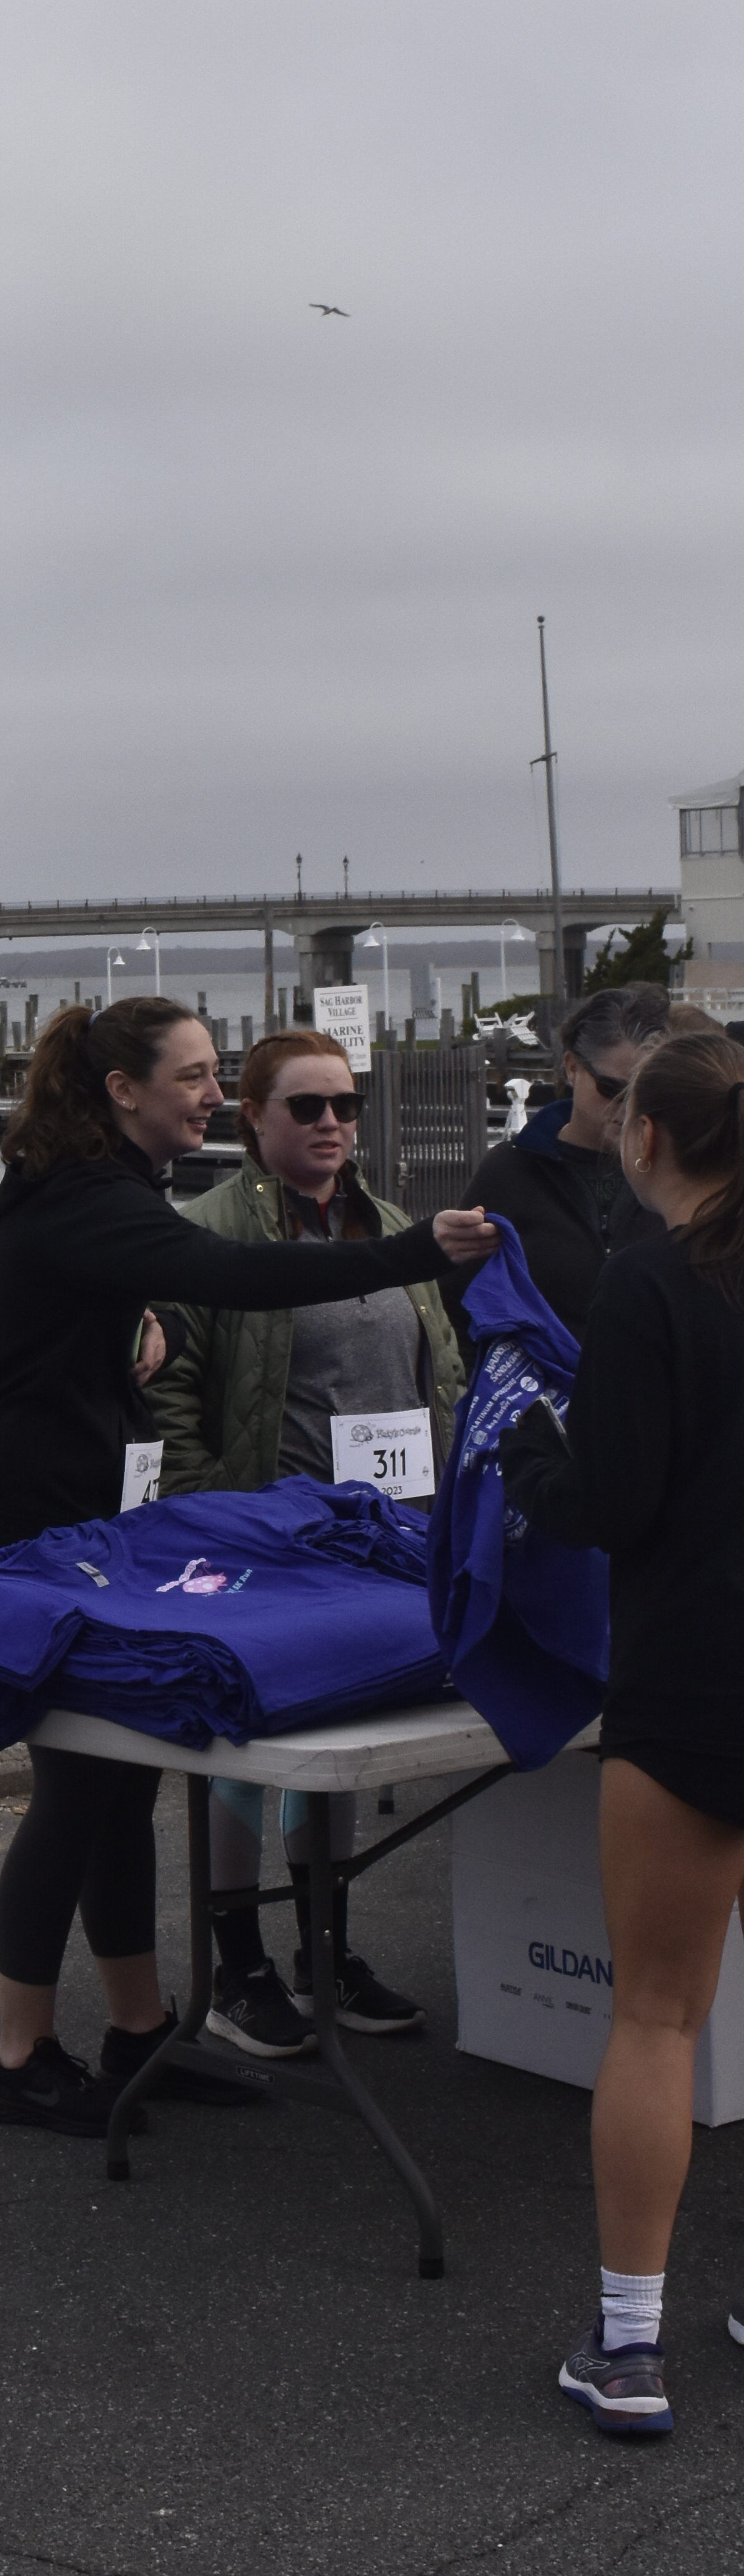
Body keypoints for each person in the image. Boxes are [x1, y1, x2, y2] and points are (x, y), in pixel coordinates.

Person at [0, 996, 497, 2135]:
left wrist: (130, 1321)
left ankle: (143, 2030)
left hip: (87, 1511)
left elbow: (112, 1296)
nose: (212, 1096)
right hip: (31, 1527)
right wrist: (413, 1251)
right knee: (74, 1788)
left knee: (122, 1781)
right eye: (197, 1078)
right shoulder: (86, 1197)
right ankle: (19, 2056)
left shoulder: (98, 1190)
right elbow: (234, 1274)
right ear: (124, 1092)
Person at [497, 1031, 744, 2436]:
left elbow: (613, 1501)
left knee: (656, 2015)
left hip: (691, 1678)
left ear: (641, 1140)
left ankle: (629, 2345)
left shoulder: (649, 1287)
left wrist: (524, 1450)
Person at [144, 1029, 465, 2057]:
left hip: (387, 1546)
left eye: (345, 1104)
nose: (332, 1124)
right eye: (306, 1107)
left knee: (340, 1753)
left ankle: (325, 1950)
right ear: (254, 1120)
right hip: (270, 1542)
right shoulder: (210, 1235)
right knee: (248, 1760)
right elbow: (179, 1400)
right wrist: (208, 1524)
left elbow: (441, 1379)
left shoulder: (396, 1227)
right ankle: (238, 1963)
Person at [443, 985, 671, 1337]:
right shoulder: (511, 1170)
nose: (627, 1107)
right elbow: (457, 1302)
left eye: (645, 1091)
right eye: (611, 1089)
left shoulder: (678, 1173)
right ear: (571, 1068)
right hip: (538, 1387)